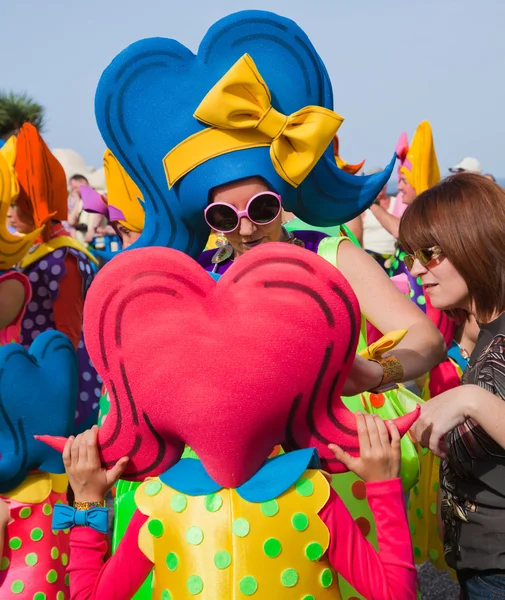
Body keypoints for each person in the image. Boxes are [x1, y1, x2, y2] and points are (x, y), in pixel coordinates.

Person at [43, 240, 418, 600]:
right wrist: (383, 486)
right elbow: (395, 594)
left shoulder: (158, 503)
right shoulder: (310, 496)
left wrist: (88, 502)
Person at [399, 173, 505, 598]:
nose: (416, 268)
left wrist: (468, 399)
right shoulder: (480, 328)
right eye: (409, 255)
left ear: (474, 241)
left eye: (430, 253)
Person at [7, 123, 101, 431]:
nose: (8, 214)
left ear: (34, 206)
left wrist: (58, 392)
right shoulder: (41, 251)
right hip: (39, 370)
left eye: (15, 205)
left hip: (63, 380)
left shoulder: (63, 257)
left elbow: (68, 334)